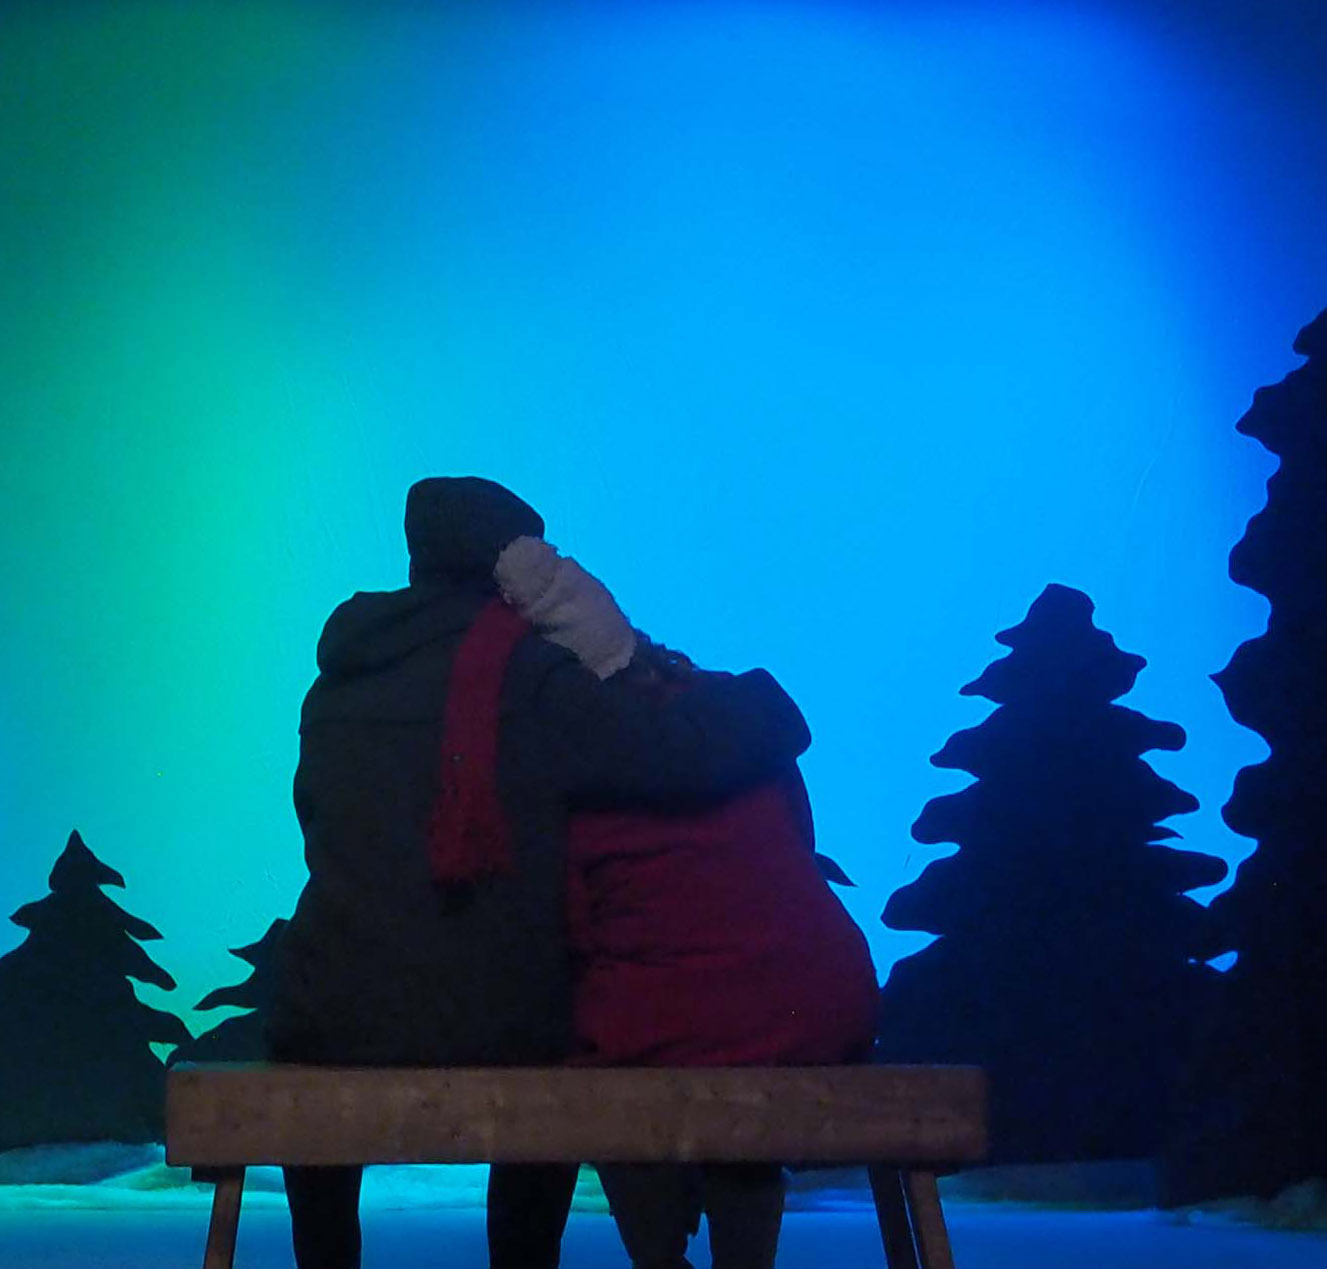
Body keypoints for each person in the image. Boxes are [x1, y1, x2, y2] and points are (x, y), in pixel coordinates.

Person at [266, 477, 808, 1269]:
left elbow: (320, 823)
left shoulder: (335, 685)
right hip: (498, 1017)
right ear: (514, 563)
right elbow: (673, 755)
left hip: (333, 1013)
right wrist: (764, 706)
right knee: (552, 1031)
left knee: (322, 1033)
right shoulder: (530, 676)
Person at [494, 536, 880, 1269]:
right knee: (735, 1049)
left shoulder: (581, 758)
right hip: (822, 1001)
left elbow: (568, 925)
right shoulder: (736, 718)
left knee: (613, 1056)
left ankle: (658, 1257)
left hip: (682, 1021)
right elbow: (798, 846)